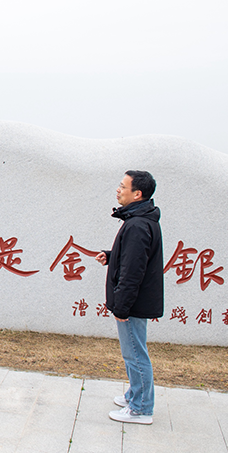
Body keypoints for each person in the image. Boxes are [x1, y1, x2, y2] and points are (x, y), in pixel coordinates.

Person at [95, 170, 164, 425]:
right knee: (133, 352)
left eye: (123, 186)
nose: (118, 190)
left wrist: (121, 308)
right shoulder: (139, 220)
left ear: (137, 193)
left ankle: (141, 408)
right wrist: (111, 256)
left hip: (133, 304)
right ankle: (135, 395)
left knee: (135, 354)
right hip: (134, 303)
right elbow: (132, 257)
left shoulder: (137, 225)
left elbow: (133, 272)